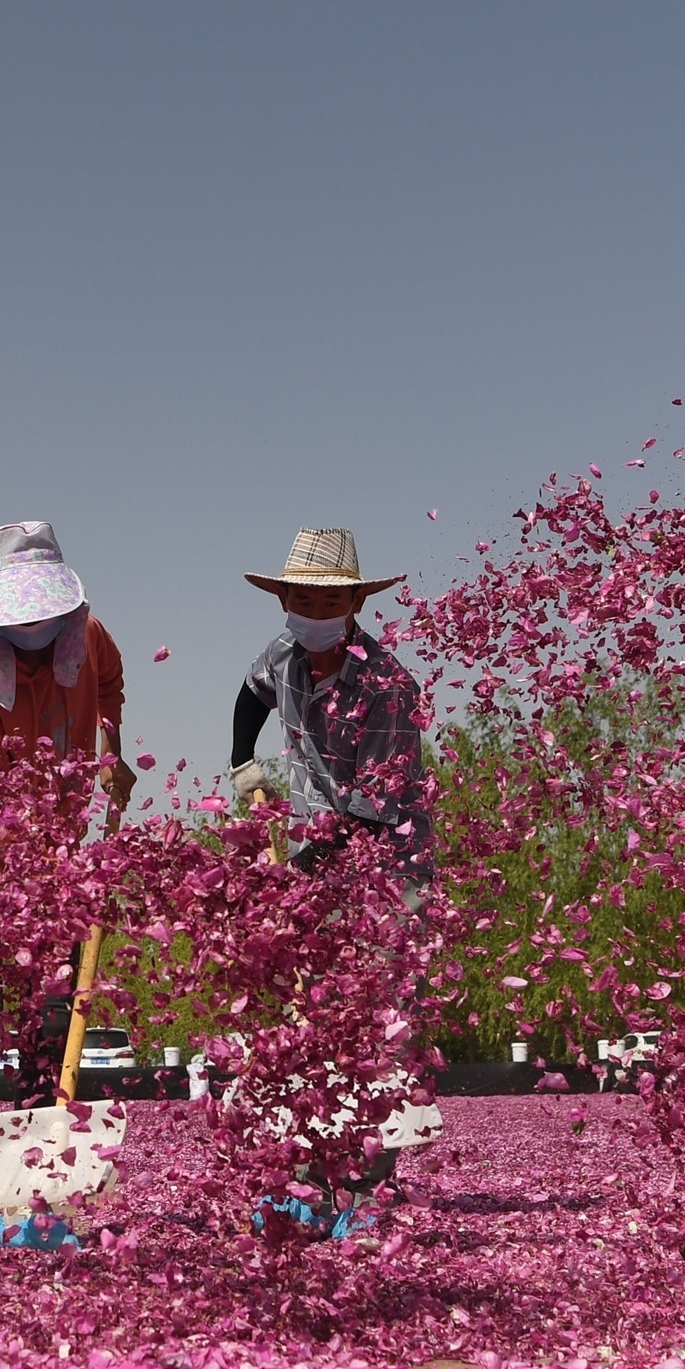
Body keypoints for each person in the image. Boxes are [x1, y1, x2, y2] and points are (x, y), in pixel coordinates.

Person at [226, 526, 435, 1237]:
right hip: (319, 851)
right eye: (303, 596)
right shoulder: (283, 654)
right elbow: (250, 695)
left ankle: (373, 1188)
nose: (314, 608)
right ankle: (312, 1181)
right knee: (310, 1023)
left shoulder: (388, 688)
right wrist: (240, 760)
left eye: (330, 599)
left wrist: (288, 876)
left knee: (379, 1023)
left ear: (352, 604)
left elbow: (368, 817)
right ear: (284, 597)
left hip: (386, 864)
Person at [0, 521, 132, 1164]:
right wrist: (27, 868)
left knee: (51, 1023)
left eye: (44, 615)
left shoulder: (89, 637)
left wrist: (114, 752)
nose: (34, 631)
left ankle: (35, 1173)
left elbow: (109, 688)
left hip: (60, 855)